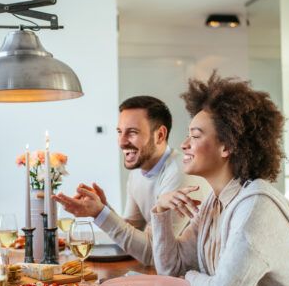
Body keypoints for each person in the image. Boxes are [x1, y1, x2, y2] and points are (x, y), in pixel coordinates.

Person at [149, 73, 289, 286]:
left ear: (227, 146)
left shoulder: (256, 207)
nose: (183, 144)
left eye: (195, 136)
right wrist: (161, 211)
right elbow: (170, 271)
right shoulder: (215, 202)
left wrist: (190, 276)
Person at [54, 95, 207, 266]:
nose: (121, 142)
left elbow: (153, 253)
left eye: (132, 132)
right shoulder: (137, 172)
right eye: (120, 132)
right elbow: (132, 233)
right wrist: (104, 209)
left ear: (160, 135)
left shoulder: (180, 172)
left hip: (188, 280)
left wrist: (100, 214)